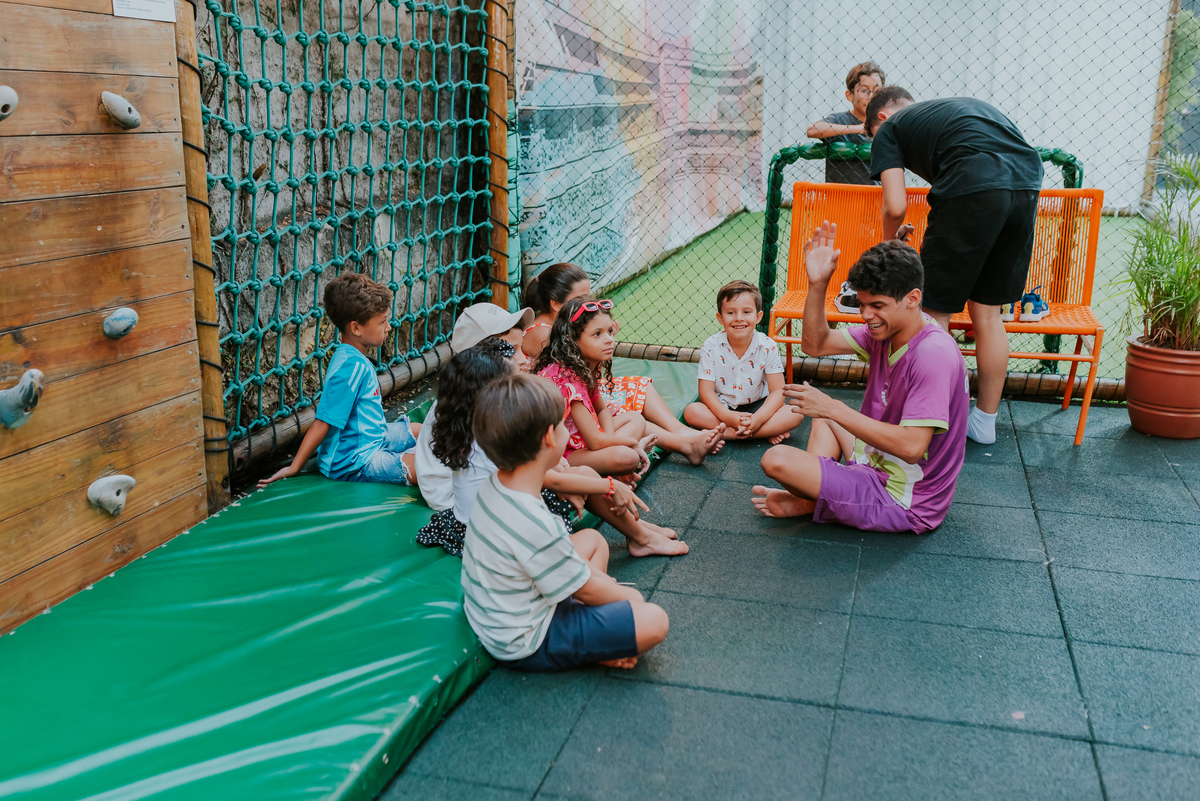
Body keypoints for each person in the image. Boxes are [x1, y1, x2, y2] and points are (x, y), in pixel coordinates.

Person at [750, 223, 968, 534]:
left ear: (913, 298)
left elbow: (911, 447)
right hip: (877, 461)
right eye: (863, 304)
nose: (866, 315)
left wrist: (831, 408)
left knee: (777, 459)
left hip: (903, 499)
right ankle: (818, 495)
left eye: (877, 306)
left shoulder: (932, 354)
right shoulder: (887, 329)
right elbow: (816, 344)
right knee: (825, 418)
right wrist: (817, 285)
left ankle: (812, 500)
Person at [864, 86, 1044, 445]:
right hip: (1026, 186)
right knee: (988, 314)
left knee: (934, 313)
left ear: (880, 118)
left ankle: (936, 420)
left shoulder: (889, 128)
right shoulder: (955, 109)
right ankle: (984, 422)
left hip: (972, 186)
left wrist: (888, 251)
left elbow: (895, 206)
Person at [462, 372, 670, 671]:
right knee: (652, 619)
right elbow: (585, 589)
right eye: (562, 424)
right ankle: (598, 647)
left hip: (506, 605)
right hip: (529, 636)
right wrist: (627, 597)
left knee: (593, 541)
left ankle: (599, 630)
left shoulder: (498, 482)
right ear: (549, 437)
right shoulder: (531, 521)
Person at [525, 264, 725, 463]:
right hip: (566, 419)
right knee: (622, 415)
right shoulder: (545, 336)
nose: (588, 302)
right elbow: (579, 377)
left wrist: (601, 336)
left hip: (582, 402)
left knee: (639, 388)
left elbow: (589, 376)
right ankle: (682, 443)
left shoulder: (574, 338)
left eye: (589, 296)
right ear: (556, 305)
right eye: (580, 299)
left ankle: (682, 433)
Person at [258, 272, 421, 487]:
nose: (388, 327)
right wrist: (295, 466)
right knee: (424, 469)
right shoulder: (350, 369)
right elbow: (323, 421)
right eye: (382, 321)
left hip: (374, 436)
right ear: (356, 328)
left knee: (424, 429)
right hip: (355, 460)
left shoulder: (349, 355)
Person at [413, 302, 533, 511]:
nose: (524, 359)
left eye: (520, 347)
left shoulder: (481, 389)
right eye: (512, 350)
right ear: (482, 358)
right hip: (452, 497)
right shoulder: (478, 401)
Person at [683, 280, 805, 443]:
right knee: (692, 412)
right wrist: (729, 417)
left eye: (747, 312)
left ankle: (727, 434)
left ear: (758, 316)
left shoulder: (768, 346)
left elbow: (777, 392)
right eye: (731, 313)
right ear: (720, 318)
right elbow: (706, 392)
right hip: (723, 408)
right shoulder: (711, 346)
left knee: (795, 412)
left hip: (759, 406)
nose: (739, 318)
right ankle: (761, 433)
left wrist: (758, 420)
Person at [806, 61, 885, 185]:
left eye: (876, 90)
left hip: (874, 198)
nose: (870, 96)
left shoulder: (885, 124)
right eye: (864, 90)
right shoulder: (841, 120)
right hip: (840, 199)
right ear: (849, 95)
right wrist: (857, 128)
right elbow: (812, 130)